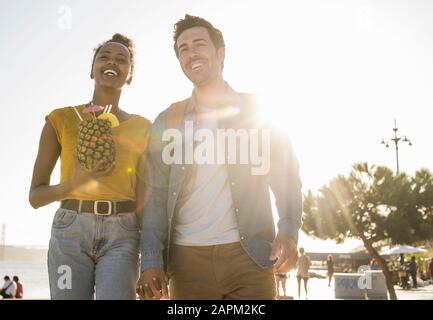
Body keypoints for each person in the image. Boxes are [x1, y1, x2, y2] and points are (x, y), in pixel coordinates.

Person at [137, 14, 302, 300]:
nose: (191, 53)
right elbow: (154, 199)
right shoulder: (167, 121)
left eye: (199, 44)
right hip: (187, 263)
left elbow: (286, 177)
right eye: (183, 49)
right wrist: (151, 260)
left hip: (250, 256)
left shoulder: (258, 111)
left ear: (220, 53)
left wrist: (288, 231)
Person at [29, 34, 152, 299]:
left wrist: (153, 259)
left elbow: (144, 198)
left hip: (124, 233)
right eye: (104, 57)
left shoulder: (143, 127)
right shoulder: (60, 119)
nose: (112, 63)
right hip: (70, 232)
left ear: (129, 74)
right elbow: (35, 197)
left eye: (122, 60)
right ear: (92, 68)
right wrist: (73, 184)